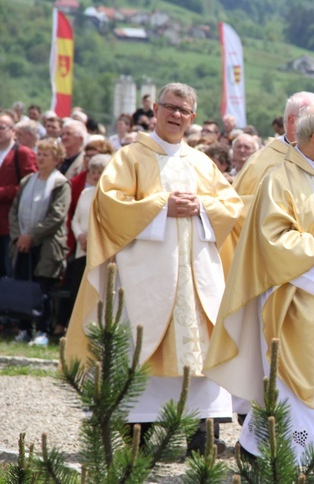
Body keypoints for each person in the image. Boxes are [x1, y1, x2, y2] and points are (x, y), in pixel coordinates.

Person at [204, 104, 314, 484]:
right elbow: (274, 239)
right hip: (296, 302)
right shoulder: (280, 179)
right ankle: (292, 456)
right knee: (293, 380)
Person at [65, 82, 242, 452]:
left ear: (192, 117)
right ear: (156, 111)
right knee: (140, 346)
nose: (176, 115)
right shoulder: (130, 157)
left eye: (184, 110)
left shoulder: (201, 162)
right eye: (170, 107)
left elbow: (231, 204)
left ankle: (201, 432)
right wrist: (162, 207)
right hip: (146, 280)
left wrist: (202, 208)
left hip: (193, 280)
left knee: (196, 350)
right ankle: (140, 433)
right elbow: (110, 205)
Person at [219, 91, 314, 279]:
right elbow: (237, 211)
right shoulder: (260, 163)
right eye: (313, 120)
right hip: (272, 266)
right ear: (292, 121)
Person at [9, 138, 70, 338]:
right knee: (24, 285)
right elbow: (14, 211)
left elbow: (57, 216)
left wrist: (31, 236)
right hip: (23, 244)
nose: (41, 158)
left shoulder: (61, 184)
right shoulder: (27, 181)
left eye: (46, 155)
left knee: (44, 288)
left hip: (47, 245)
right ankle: (25, 328)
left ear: (57, 159)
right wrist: (19, 237)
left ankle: (43, 331)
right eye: (39, 154)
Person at [64, 154, 112, 336]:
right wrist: (80, 236)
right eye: (94, 171)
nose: (96, 175)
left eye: (100, 172)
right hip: (81, 249)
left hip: (98, 249)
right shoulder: (85, 193)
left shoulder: (111, 197)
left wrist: (91, 237)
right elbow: (75, 219)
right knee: (77, 289)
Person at [0, 110, 37, 277]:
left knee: (9, 274)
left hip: (10, 225)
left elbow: (29, 186)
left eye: (2, 127)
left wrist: (2, 192)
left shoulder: (22, 153)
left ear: (12, 131)